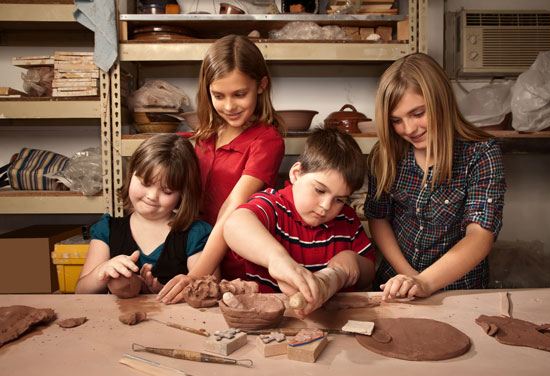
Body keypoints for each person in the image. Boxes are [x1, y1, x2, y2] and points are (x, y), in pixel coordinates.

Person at [364, 53, 506, 302]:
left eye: (418, 114)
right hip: (395, 283)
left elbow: (479, 235)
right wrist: (409, 277)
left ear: (441, 102)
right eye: (396, 120)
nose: (409, 129)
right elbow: (379, 218)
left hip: (459, 290)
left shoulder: (481, 153)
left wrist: (425, 282)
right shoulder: (385, 154)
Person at [157, 35, 285, 304]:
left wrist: (197, 276)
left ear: (261, 85)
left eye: (240, 94)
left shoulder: (267, 141)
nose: (229, 106)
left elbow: (232, 208)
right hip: (197, 255)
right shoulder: (204, 137)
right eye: (218, 95)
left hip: (240, 265)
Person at [224, 128, 376, 317]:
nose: (326, 205)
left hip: (336, 320)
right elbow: (235, 224)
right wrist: (277, 260)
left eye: (340, 199)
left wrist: (354, 262)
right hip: (276, 322)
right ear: (296, 173)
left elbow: (368, 274)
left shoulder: (346, 218)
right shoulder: (274, 205)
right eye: (320, 190)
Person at [75, 134, 211, 295]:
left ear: (183, 194)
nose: (152, 196)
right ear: (131, 174)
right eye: (146, 183)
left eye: (167, 191)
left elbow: (208, 292)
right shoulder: (108, 229)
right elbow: (80, 292)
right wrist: (102, 271)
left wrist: (160, 292)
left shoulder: (195, 234)